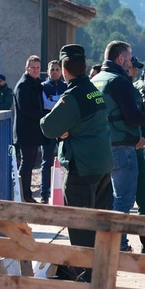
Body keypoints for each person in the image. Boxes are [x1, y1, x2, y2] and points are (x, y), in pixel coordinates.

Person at [91, 41, 145, 251]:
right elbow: (132, 117)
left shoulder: (96, 80)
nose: (130, 63)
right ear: (120, 59)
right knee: (123, 200)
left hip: (102, 148)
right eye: (129, 57)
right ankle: (119, 244)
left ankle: (106, 242)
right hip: (124, 148)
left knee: (107, 200)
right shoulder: (120, 82)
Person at [39, 45, 111, 247]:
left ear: (64, 68)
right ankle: (98, 274)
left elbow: (48, 127)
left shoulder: (72, 96)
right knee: (98, 228)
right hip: (102, 167)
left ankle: (85, 275)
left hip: (83, 169)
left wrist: (65, 127)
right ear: (85, 65)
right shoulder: (92, 91)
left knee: (81, 231)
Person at [12, 56, 47, 203]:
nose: (35, 70)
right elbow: (25, 109)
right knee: (26, 163)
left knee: (30, 163)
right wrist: (44, 116)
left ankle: (26, 193)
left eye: (38, 68)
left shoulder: (36, 83)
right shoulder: (23, 85)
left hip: (33, 130)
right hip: (25, 131)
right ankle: (22, 193)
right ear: (27, 68)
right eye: (33, 67)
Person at [40, 60, 67, 201]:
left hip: (63, 128)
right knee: (46, 161)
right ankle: (44, 193)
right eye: (52, 69)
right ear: (48, 71)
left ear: (61, 71)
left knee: (66, 160)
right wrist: (60, 102)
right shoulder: (43, 87)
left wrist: (55, 102)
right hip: (49, 128)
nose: (55, 72)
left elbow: (68, 104)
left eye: (57, 69)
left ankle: (65, 193)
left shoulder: (66, 86)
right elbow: (45, 104)